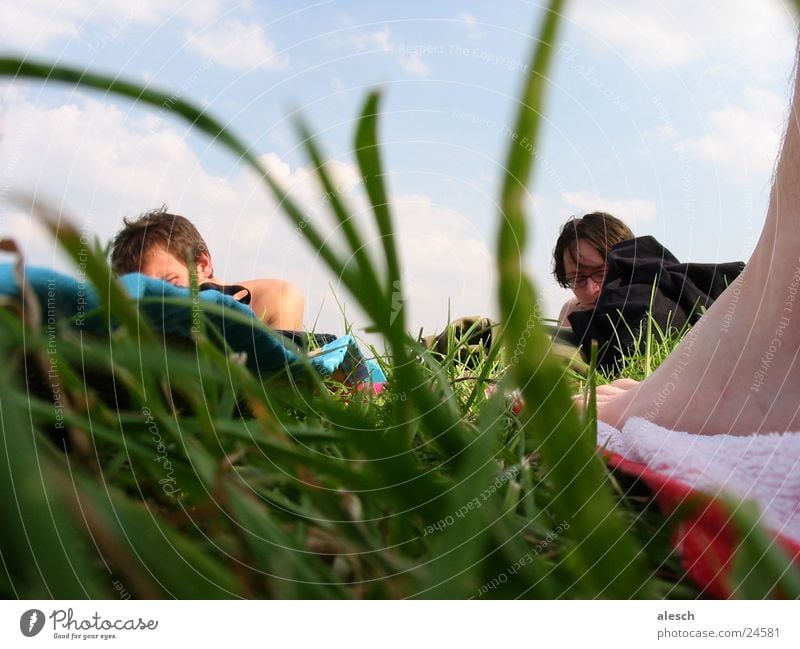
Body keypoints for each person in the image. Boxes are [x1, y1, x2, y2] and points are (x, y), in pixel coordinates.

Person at [597, 39, 800, 437]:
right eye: (574, 279)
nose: (588, 288)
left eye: (598, 272)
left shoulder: (649, 291)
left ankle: (781, 346)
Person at [110, 207, 305, 331]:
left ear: (202, 265)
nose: (161, 300)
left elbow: (279, 380)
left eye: (169, 282)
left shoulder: (276, 298)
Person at [553, 211, 633, 326]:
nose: (590, 290)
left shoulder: (654, 309)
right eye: (578, 279)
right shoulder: (570, 313)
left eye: (601, 274)